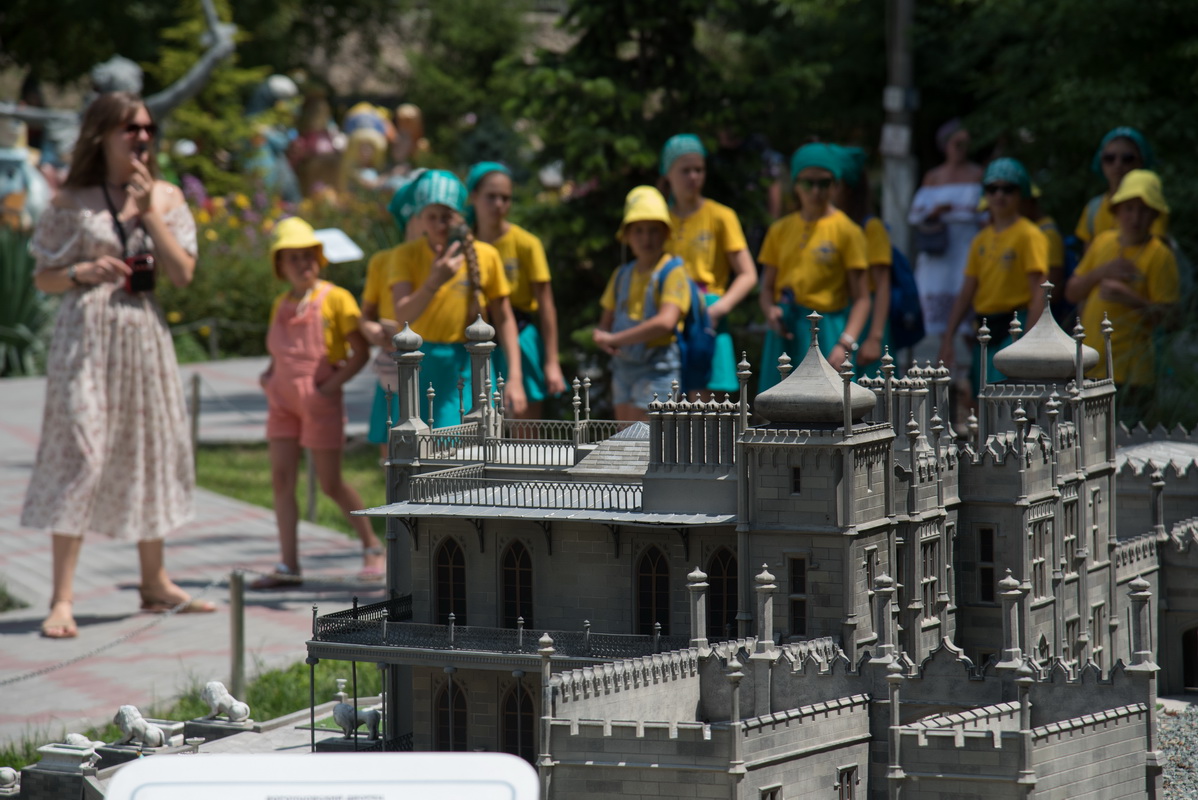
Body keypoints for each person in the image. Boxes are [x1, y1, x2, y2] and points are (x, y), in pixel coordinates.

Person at [21, 92, 212, 638]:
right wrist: (81, 271)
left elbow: (183, 275)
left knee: (147, 447)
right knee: (80, 452)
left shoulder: (166, 196)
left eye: (147, 128)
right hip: (84, 338)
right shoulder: (70, 199)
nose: (142, 137)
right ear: (102, 135)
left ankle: (155, 581)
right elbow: (43, 278)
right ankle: (61, 598)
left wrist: (149, 210)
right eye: (130, 128)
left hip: (142, 336)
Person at [254, 217, 385, 589]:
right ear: (280, 265)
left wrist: (329, 389)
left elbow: (361, 352)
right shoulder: (281, 302)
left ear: (319, 258)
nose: (302, 264)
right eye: (292, 257)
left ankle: (371, 545)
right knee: (281, 480)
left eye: (308, 255)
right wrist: (268, 376)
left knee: (330, 483)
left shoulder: (336, 298)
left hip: (320, 402)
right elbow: (278, 351)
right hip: (281, 402)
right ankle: (288, 565)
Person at [388, 169, 527, 427]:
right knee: (418, 442)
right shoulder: (405, 256)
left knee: (469, 443)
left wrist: (515, 378)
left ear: (460, 216)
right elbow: (403, 315)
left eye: (447, 216)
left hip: (469, 364)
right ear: (420, 218)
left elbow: (504, 318)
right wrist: (434, 281)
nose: (440, 225)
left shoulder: (486, 255)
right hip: (420, 365)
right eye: (432, 217)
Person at [1065, 170, 1178, 421]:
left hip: (1132, 377)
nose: (1135, 218)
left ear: (1155, 214)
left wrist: (1131, 298)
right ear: (1116, 211)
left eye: (1144, 210)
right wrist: (1100, 272)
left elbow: (1172, 320)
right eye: (1129, 208)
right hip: (1089, 368)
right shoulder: (1102, 242)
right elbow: (1071, 292)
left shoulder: (1161, 255)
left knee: (1125, 441)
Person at [757, 143, 870, 392]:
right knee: (778, 406)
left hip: (829, 331)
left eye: (824, 183)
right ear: (796, 184)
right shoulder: (779, 230)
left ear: (835, 185)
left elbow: (862, 299)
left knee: (830, 406)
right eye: (809, 183)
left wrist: (845, 343)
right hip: (786, 330)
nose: (816, 191)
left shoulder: (848, 231)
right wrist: (770, 312)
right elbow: (766, 289)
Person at [658, 134, 757, 398]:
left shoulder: (721, 216)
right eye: (685, 170)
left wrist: (718, 310)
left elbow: (748, 274)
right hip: (669, 318)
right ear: (668, 173)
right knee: (668, 403)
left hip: (708, 317)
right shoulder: (658, 221)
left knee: (708, 409)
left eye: (699, 169)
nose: (694, 177)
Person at [938, 158, 1047, 394]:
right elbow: (966, 292)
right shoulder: (980, 239)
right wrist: (948, 339)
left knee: (1008, 399)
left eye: (1008, 188)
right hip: (985, 328)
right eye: (992, 188)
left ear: (1021, 193)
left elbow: (1040, 292)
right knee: (984, 398)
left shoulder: (1029, 234)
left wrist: (1029, 341)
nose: (999, 194)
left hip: (1015, 326)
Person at [466, 161, 565, 418]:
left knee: (525, 428)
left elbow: (546, 306)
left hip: (519, 336)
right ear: (473, 197)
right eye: (491, 196)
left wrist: (552, 362)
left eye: (505, 198)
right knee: (475, 426)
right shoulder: (462, 246)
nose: (498, 204)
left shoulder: (527, 243)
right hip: (473, 341)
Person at [593, 186, 691, 420]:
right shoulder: (621, 274)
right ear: (626, 235)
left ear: (665, 233)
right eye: (638, 230)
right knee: (624, 435)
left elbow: (666, 322)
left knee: (648, 438)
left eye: (653, 230)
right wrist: (602, 336)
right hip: (622, 368)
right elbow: (605, 322)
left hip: (657, 369)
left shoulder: (672, 271)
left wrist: (615, 339)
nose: (646, 238)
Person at [360, 172, 426, 457]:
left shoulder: (445, 261)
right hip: (393, 360)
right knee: (392, 448)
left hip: (432, 359)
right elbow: (366, 315)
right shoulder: (382, 261)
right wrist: (373, 330)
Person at [907, 120, 985, 349]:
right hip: (938, 250)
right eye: (957, 143)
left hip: (966, 245)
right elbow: (915, 215)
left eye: (965, 144)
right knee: (936, 308)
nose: (961, 149)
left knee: (966, 296)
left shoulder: (977, 174)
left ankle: (969, 357)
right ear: (946, 145)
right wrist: (935, 212)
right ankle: (943, 353)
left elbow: (986, 212)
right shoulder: (933, 177)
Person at [831, 144, 891, 376]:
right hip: (842, 314)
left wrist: (875, 337)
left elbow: (883, 286)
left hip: (868, 321)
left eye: (831, 183)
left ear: (847, 187)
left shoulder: (871, 228)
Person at [1075, 127, 1168, 251]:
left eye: (1127, 159)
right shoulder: (1093, 209)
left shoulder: (1151, 205)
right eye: (1109, 158)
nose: (1117, 164)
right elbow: (1089, 257)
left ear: (1141, 161)